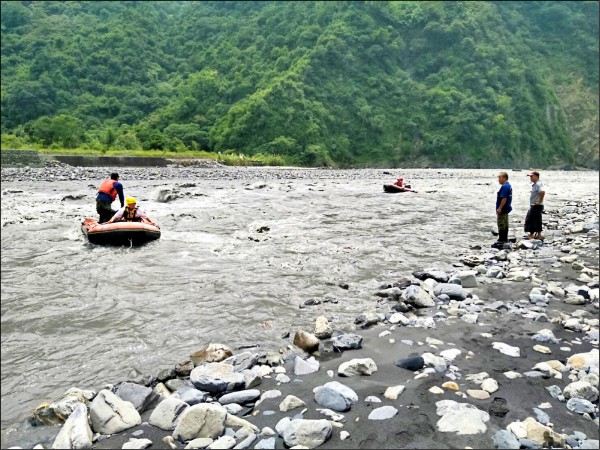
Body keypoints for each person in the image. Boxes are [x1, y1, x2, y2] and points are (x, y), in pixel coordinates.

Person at [525, 171, 545, 240]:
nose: (530, 178)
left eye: (531, 176)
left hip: (536, 205)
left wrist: (539, 201)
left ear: (536, 177)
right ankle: (539, 235)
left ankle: (531, 235)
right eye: (530, 176)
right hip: (537, 206)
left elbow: (542, 192)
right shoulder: (536, 184)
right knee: (538, 220)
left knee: (531, 219)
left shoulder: (538, 184)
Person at [495, 171, 512, 245]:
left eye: (500, 177)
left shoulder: (505, 186)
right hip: (507, 208)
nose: (498, 179)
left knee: (501, 223)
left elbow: (504, 198)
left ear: (504, 178)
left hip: (503, 208)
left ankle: (501, 239)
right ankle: (505, 238)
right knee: (505, 223)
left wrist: (500, 208)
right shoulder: (508, 185)